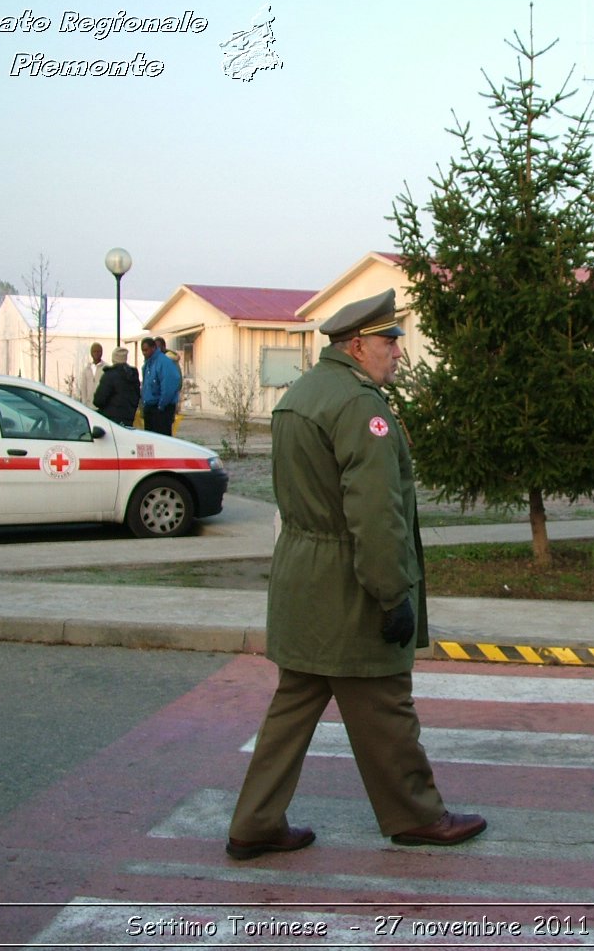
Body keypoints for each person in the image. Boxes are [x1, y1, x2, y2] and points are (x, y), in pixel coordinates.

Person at [226, 289, 486, 859]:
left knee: (294, 704)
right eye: (390, 342)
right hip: (350, 583)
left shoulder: (303, 394)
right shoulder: (359, 407)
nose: (398, 352)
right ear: (357, 344)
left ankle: (254, 821)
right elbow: (374, 513)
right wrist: (394, 593)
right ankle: (417, 815)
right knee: (386, 702)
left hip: (302, 576)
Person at [140, 336, 181, 435]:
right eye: (142, 350)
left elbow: (169, 386)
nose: (144, 353)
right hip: (150, 407)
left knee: (161, 440)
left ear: (153, 348)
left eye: (146, 350)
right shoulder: (148, 364)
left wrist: (161, 405)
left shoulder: (164, 362)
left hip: (161, 409)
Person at [93, 347, 141, 426]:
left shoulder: (109, 375)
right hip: (129, 416)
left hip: (111, 419)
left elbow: (98, 400)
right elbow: (137, 395)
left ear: (114, 359)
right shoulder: (133, 374)